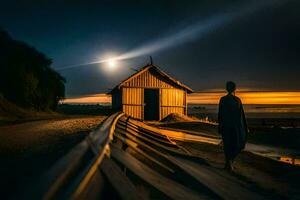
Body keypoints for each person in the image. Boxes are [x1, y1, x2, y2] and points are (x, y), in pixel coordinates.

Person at [218, 81, 248, 171]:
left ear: (227, 89)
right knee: (236, 144)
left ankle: (229, 162)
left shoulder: (223, 99)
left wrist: (220, 125)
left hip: (226, 126)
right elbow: (241, 115)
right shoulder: (237, 100)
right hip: (235, 126)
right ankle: (230, 162)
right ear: (234, 89)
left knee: (227, 144)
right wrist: (245, 127)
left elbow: (220, 114)